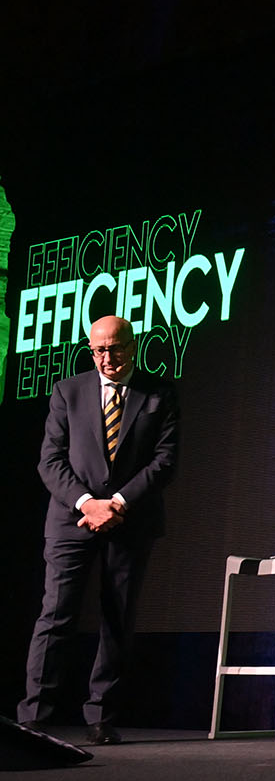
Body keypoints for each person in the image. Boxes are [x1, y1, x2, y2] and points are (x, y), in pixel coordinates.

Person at [18, 314, 179, 745]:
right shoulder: (67, 391)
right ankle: (33, 717)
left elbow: (164, 460)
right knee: (56, 614)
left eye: (115, 348)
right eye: (99, 350)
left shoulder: (159, 393)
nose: (107, 357)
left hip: (130, 521)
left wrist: (118, 503)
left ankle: (101, 717)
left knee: (116, 618)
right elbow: (50, 461)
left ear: (133, 345)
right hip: (71, 518)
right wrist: (88, 503)